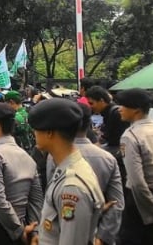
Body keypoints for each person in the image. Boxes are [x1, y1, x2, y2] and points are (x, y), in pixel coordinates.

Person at [28, 98, 104, 244]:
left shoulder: (72, 186)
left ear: (49, 132)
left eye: (36, 129)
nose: (34, 133)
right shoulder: (67, 167)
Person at [0, 103, 43, 245]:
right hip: (21, 226)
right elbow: (36, 200)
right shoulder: (27, 157)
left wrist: (18, 232)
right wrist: (32, 231)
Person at [116, 88, 153, 245]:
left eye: (123, 105)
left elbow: (137, 182)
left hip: (140, 202)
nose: (119, 109)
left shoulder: (130, 136)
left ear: (136, 109)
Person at [75, 103, 124, 245]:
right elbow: (117, 203)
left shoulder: (54, 157)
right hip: (100, 232)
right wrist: (102, 237)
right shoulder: (107, 158)